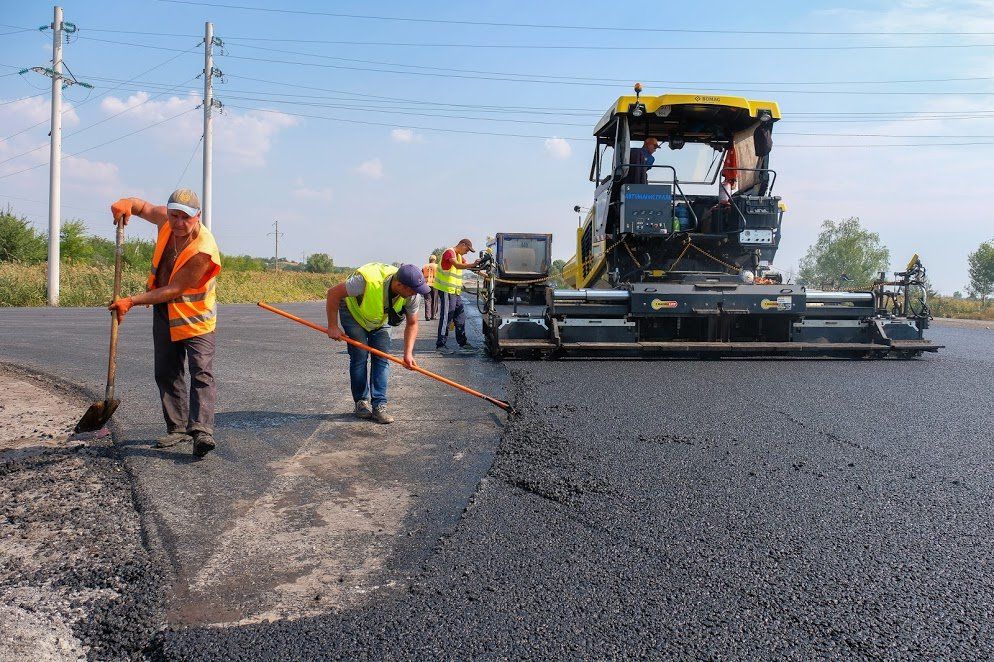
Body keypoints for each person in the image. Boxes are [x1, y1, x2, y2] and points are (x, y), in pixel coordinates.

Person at [107, 189, 222, 457]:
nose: (179, 223)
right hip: (164, 312)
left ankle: (202, 431)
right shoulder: (165, 220)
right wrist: (126, 204)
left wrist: (131, 301)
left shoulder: (204, 250)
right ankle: (177, 428)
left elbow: (175, 288)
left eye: (186, 218)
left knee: (201, 372)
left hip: (196, 318)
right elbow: (141, 206)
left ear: (198, 216)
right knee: (167, 371)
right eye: (174, 216)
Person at [325, 263, 428, 424]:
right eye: (412, 290)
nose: (414, 293)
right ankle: (361, 402)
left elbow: (412, 323)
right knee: (359, 355)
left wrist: (408, 353)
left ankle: (379, 404)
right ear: (399, 284)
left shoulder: (413, 294)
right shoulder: (365, 282)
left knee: (382, 357)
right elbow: (332, 294)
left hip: (380, 317)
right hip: (354, 313)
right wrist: (332, 326)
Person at [433, 239, 479, 355]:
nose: (467, 252)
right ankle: (441, 345)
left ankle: (463, 343)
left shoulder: (459, 256)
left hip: (455, 292)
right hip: (447, 290)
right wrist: (473, 264)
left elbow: (468, 267)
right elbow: (457, 266)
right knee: (446, 318)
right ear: (463, 245)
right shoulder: (450, 252)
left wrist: (483, 272)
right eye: (467, 250)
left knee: (460, 317)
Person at [422, 254, 438, 321]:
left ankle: (427, 316)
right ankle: (433, 316)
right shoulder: (437, 266)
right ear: (435, 259)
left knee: (427, 300)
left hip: (426, 285)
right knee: (434, 300)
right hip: (435, 285)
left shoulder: (424, 266)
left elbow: (421, 275)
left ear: (429, 259)